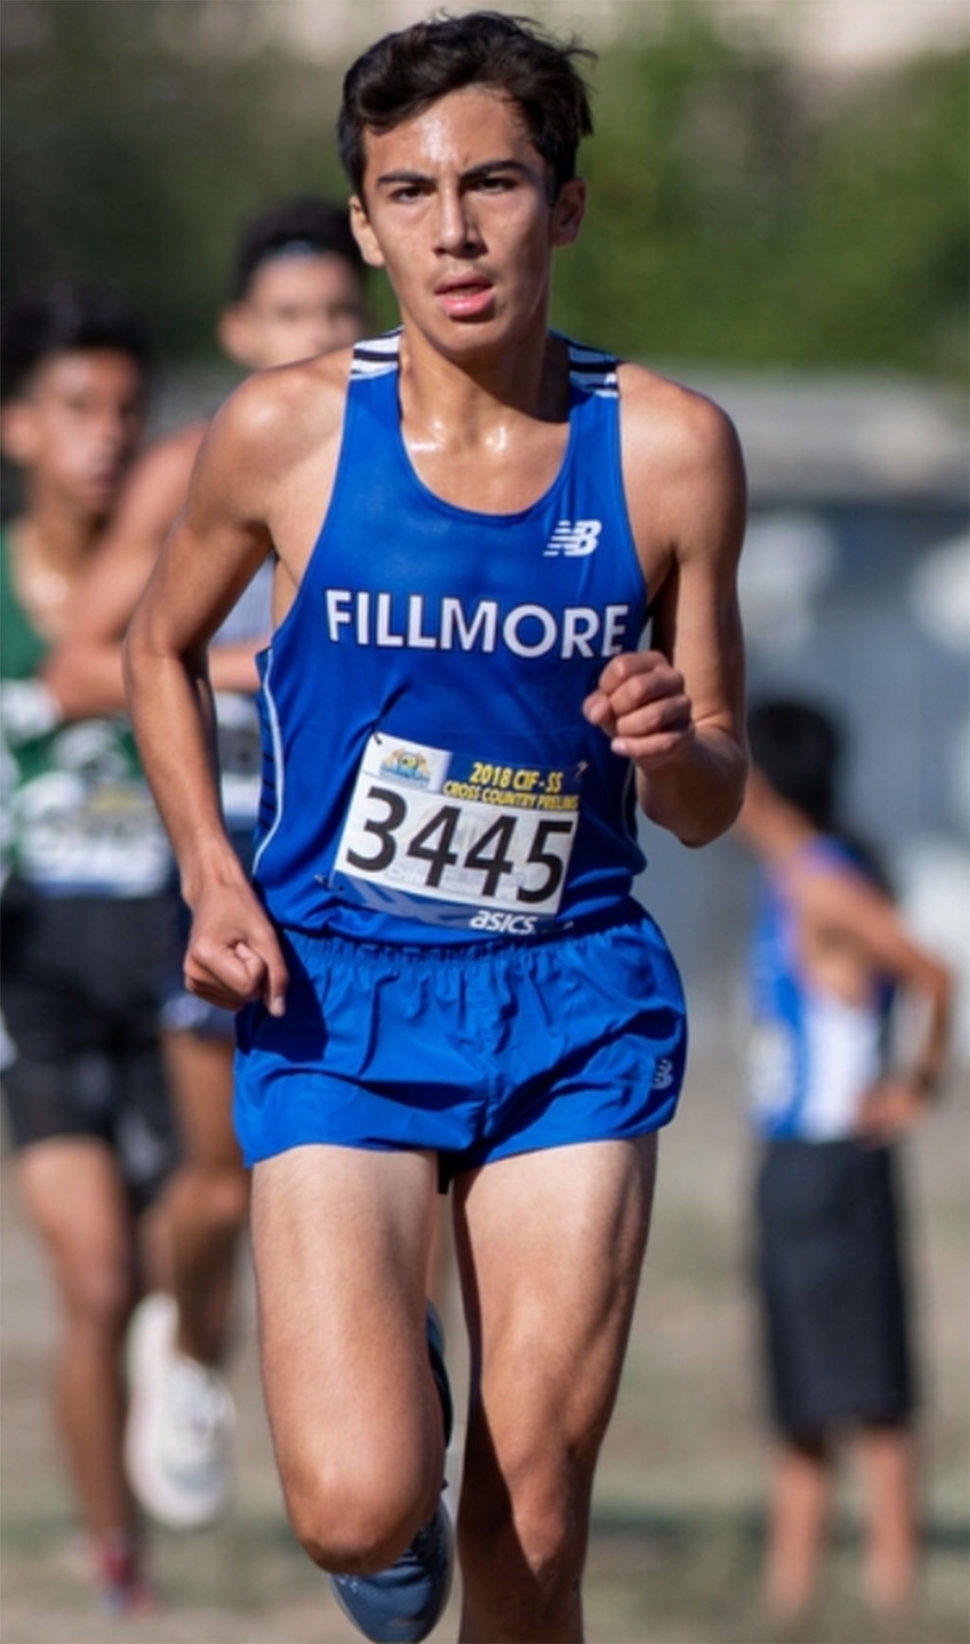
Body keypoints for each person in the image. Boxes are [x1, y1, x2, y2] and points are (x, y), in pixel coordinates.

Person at [124, 14, 748, 1642]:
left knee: (531, 1518)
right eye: (410, 193)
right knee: (359, 1502)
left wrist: (671, 739)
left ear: (567, 202)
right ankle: (386, 1379)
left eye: (495, 183)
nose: (455, 231)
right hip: (336, 995)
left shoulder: (669, 450)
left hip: (570, 997)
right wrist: (210, 864)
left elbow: (710, 792)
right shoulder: (286, 429)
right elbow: (157, 644)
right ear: (363, 223)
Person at [44, 197, 368, 1531]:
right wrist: (263, 668)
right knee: (221, 1170)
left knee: (396, 1143)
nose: (317, 339)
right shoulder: (197, 468)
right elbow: (79, 665)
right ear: (242, 332)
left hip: (362, 854)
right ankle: (187, 1352)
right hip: (226, 851)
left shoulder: (427, 456)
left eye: (340, 315)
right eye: (290, 318)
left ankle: (406, 1426)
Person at [0, 283, 179, 1612]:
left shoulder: (192, 570)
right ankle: (121, 1566)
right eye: (78, 409)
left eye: (128, 410)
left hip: (183, 961)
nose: (107, 437)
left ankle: (197, 1375)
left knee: (194, 1241)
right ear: (18, 428)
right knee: (96, 1276)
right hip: (40, 977)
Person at [736, 699, 953, 1625]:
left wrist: (917, 1086)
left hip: (836, 1166)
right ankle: (788, 1603)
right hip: (789, 1164)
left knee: (871, 1393)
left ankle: (892, 1598)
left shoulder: (826, 883)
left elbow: (933, 972)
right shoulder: (788, 882)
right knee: (800, 1401)